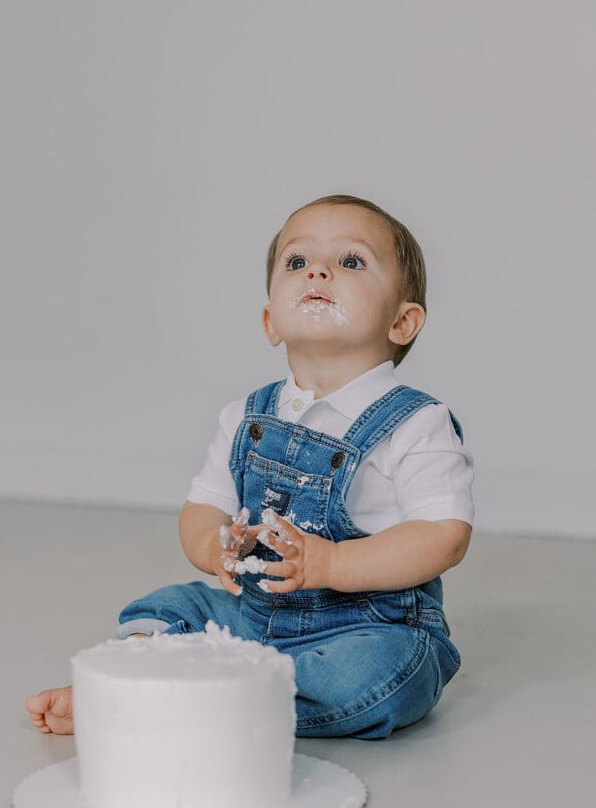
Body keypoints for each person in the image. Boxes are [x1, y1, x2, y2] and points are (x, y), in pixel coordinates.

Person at [27, 194, 474, 739]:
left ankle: (187, 695)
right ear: (270, 320)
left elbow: (443, 536)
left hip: (366, 623)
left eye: (352, 261)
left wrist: (332, 565)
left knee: (386, 674)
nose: (318, 270)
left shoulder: (417, 423)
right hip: (257, 612)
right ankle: (144, 682)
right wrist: (215, 546)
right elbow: (202, 508)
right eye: (296, 262)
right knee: (170, 605)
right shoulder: (245, 416)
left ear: (403, 322)